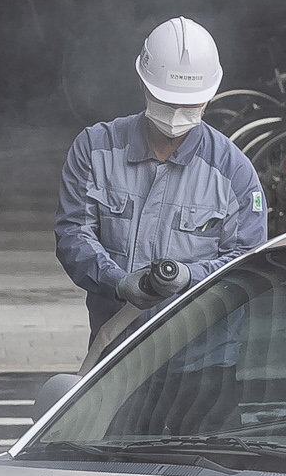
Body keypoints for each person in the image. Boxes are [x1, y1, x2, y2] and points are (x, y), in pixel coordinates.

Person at [55, 18, 269, 349]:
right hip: (116, 357)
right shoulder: (95, 149)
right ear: (144, 85)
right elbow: (73, 235)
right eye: (167, 100)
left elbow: (249, 263)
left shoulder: (234, 173)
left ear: (208, 98)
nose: (177, 112)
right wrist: (119, 282)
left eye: (189, 103)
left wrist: (190, 279)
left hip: (203, 361)